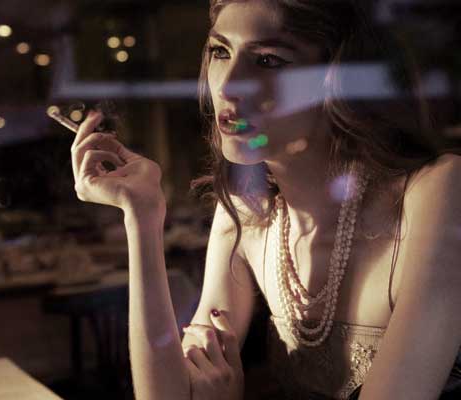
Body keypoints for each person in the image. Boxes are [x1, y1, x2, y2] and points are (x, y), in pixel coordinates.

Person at [69, 0, 461, 399]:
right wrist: (142, 216)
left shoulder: (437, 191)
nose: (227, 86)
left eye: (269, 60)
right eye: (220, 51)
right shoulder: (246, 211)